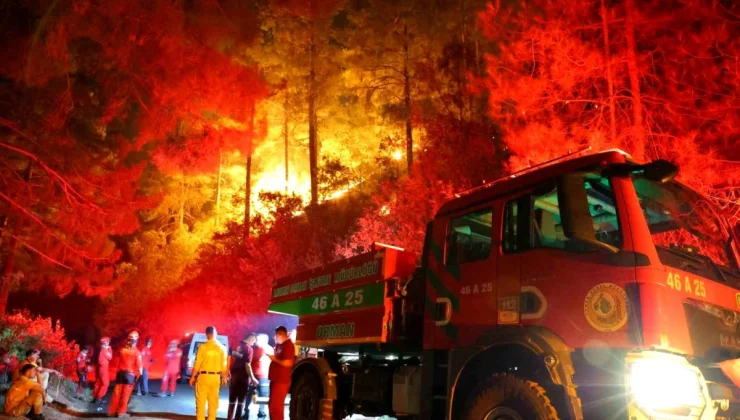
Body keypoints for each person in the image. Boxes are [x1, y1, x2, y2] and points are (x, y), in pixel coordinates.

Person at [189, 326, 227, 420]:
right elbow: (224, 365)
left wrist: (193, 377)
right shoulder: (222, 348)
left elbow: (197, 364)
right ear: (216, 334)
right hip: (215, 378)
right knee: (213, 404)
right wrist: (224, 378)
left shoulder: (203, 347)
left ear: (207, 335)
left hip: (203, 377)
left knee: (201, 403)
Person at [108, 330, 143, 417]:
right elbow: (140, 367)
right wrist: (140, 376)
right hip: (130, 375)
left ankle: (112, 411)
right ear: (137, 340)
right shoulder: (137, 352)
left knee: (117, 393)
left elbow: (119, 360)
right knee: (125, 395)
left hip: (120, 374)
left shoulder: (122, 350)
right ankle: (121, 412)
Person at [268, 326, 296, 420]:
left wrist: (274, 359)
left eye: (276, 336)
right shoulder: (280, 345)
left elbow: (288, 363)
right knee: (272, 406)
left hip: (281, 381)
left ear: (280, 334)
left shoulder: (288, 345)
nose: (275, 338)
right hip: (275, 379)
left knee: (276, 407)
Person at [226, 336, 257, 420]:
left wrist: (227, 371)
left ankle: (229, 418)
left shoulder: (234, 344)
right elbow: (248, 365)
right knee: (241, 401)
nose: (253, 344)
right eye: (253, 342)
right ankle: (237, 418)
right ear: (250, 339)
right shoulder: (249, 349)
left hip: (234, 377)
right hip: (243, 378)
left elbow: (228, 358)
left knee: (232, 400)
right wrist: (253, 378)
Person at [247, 333, 272, 419]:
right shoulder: (270, 349)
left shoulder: (257, 348)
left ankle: (246, 411)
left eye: (258, 339)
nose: (256, 340)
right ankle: (261, 413)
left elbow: (250, 360)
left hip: (256, 376)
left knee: (249, 394)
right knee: (263, 396)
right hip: (263, 376)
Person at [93, 337, 113, 403]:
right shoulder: (104, 350)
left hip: (99, 368)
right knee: (105, 383)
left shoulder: (101, 349)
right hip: (103, 368)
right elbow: (110, 357)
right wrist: (109, 348)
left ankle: (95, 396)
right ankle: (99, 397)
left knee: (99, 382)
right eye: (108, 342)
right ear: (106, 343)